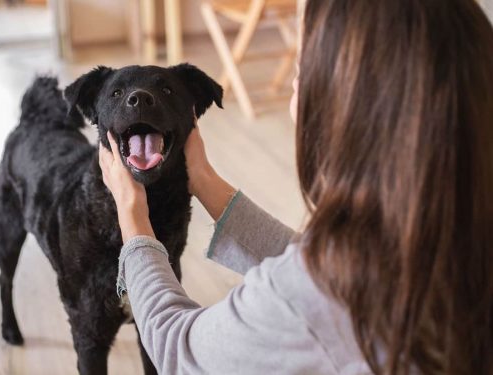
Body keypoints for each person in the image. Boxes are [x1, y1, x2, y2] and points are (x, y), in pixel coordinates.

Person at [98, 0, 493, 373]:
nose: (292, 96)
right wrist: (203, 180)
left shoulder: (312, 299)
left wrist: (133, 216)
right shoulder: (448, 239)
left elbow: (178, 351)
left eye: (301, 71)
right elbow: (326, 267)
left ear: (345, 106)